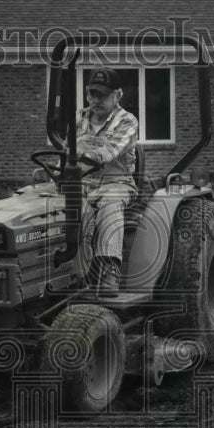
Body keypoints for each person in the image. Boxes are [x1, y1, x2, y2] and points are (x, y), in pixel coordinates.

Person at [76, 67, 139, 296]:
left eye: (103, 94)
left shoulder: (127, 121)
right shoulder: (78, 118)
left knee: (110, 202)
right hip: (81, 182)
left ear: (117, 95)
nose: (97, 100)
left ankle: (109, 268)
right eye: (93, 94)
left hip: (116, 182)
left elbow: (108, 152)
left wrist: (77, 162)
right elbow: (64, 150)